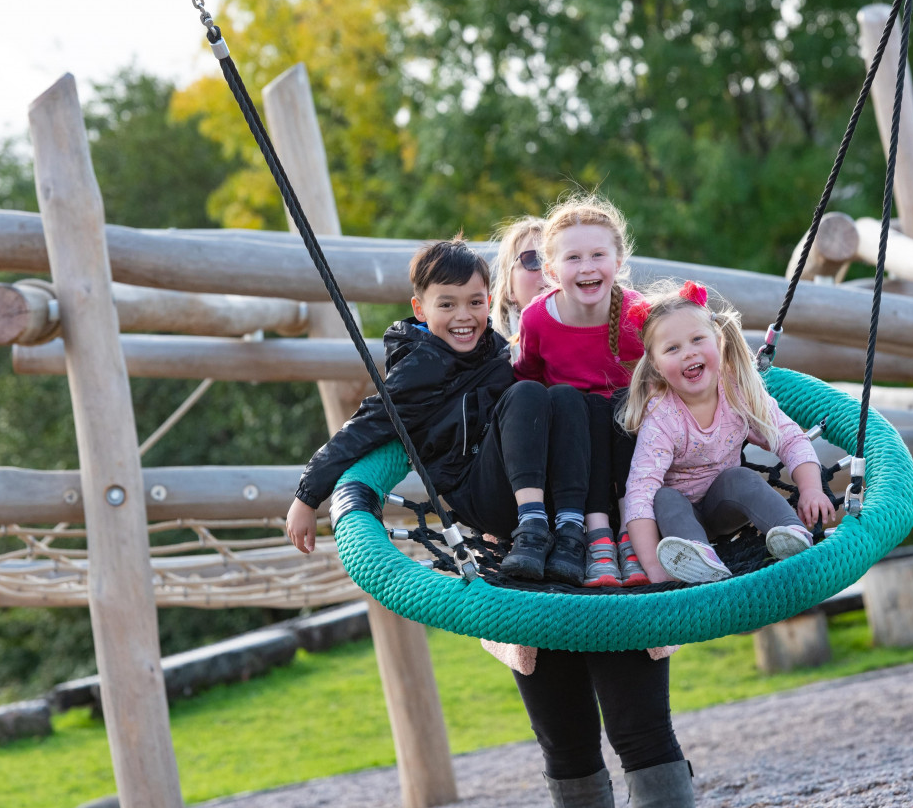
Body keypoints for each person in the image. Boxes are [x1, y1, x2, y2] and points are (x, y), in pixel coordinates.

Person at [285, 236, 591, 582]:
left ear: (488, 302)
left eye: (475, 303)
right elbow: (363, 427)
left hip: (520, 479)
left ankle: (570, 529)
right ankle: (533, 524)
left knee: (565, 396)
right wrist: (307, 497)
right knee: (526, 394)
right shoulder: (419, 367)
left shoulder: (495, 350)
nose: (464, 317)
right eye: (447, 305)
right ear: (420, 309)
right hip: (478, 493)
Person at [621, 280, 836, 584]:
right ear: (655, 366)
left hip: (725, 506)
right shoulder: (662, 417)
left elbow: (789, 437)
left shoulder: (738, 389)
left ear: (718, 341)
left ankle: (791, 532)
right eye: (672, 348)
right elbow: (640, 492)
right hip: (678, 523)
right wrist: (653, 568)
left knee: (741, 478)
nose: (688, 353)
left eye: (697, 339)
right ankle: (697, 557)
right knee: (664, 497)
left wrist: (812, 489)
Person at [514, 193, 647, 588]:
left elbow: (661, 376)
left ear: (618, 262)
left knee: (624, 403)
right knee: (577, 404)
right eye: (573, 258)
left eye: (597, 256)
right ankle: (597, 535)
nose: (587, 267)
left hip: (629, 437)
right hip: (571, 442)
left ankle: (631, 531)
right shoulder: (537, 318)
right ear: (552, 270)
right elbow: (527, 379)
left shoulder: (637, 314)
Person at [489, 216, 548, 361]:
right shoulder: (483, 349)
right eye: (534, 259)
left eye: (558, 259)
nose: (549, 269)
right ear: (510, 289)